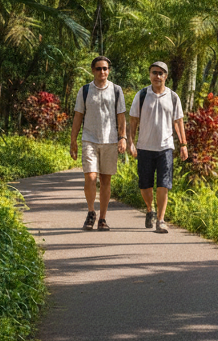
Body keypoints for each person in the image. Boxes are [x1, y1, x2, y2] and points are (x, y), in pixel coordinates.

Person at [128, 61, 188, 233]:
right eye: (154, 72)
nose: (157, 76)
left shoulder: (173, 97)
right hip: (145, 146)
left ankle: (161, 220)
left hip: (165, 147)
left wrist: (183, 144)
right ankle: (150, 209)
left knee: (164, 183)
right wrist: (131, 142)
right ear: (150, 75)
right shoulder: (141, 95)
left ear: (166, 76)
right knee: (144, 184)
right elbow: (133, 120)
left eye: (161, 73)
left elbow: (178, 122)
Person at [70, 56, 127, 230]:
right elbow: (78, 115)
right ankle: (90, 212)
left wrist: (122, 137)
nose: (102, 72)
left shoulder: (116, 91)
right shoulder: (85, 90)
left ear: (109, 70)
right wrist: (73, 140)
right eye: (98, 68)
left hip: (110, 140)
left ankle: (102, 218)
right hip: (89, 139)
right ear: (93, 70)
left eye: (105, 68)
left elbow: (121, 116)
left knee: (105, 180)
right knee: (90, 177)